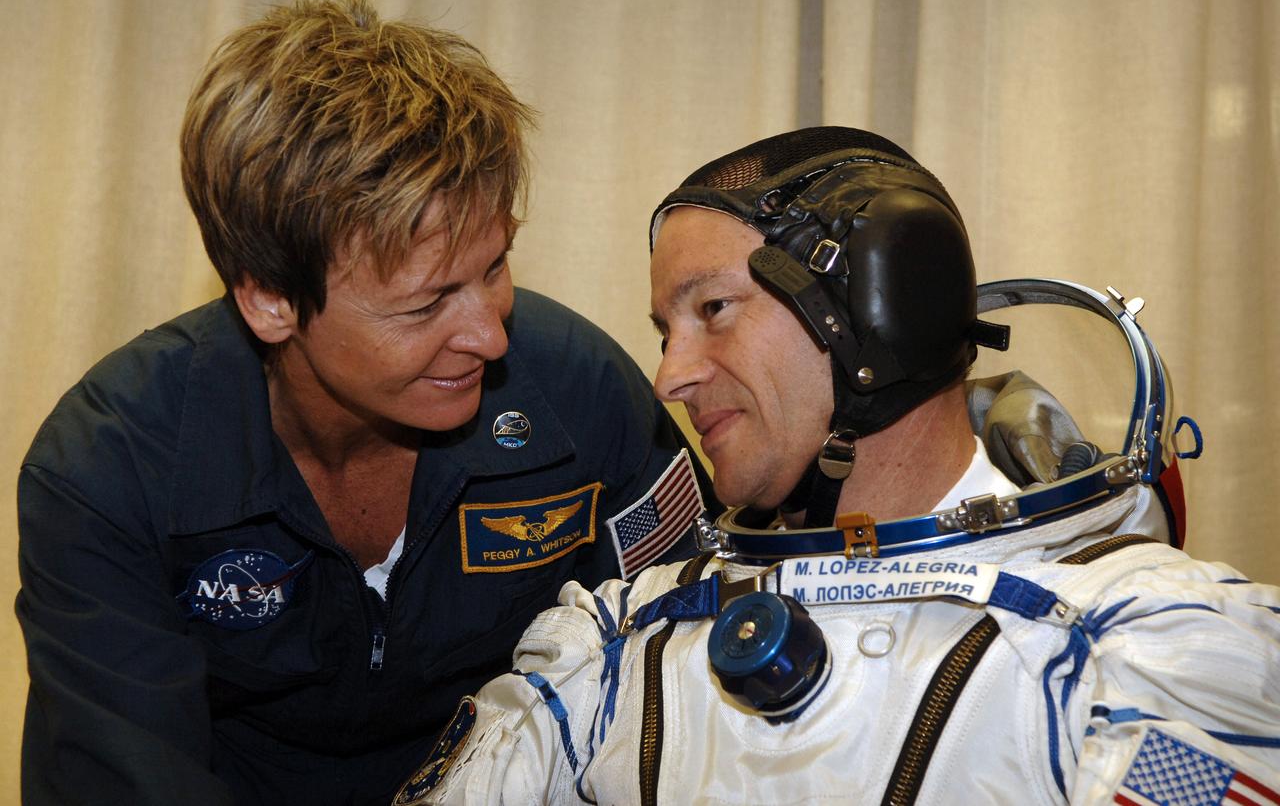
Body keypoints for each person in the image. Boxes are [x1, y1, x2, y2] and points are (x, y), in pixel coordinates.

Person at [405, 127, 1280, 805]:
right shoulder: (611, 648)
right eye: (664, 333)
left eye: (713, 308)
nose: (670, 376)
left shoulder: (1136, 649)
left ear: (877, 312)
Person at [16, 0, 716, 806]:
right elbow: (123, 781)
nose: (490, 336)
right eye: (425, 304)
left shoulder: (580, 396)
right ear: (271, 300)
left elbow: (677, 697)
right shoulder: (110, 465)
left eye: (494, 267)